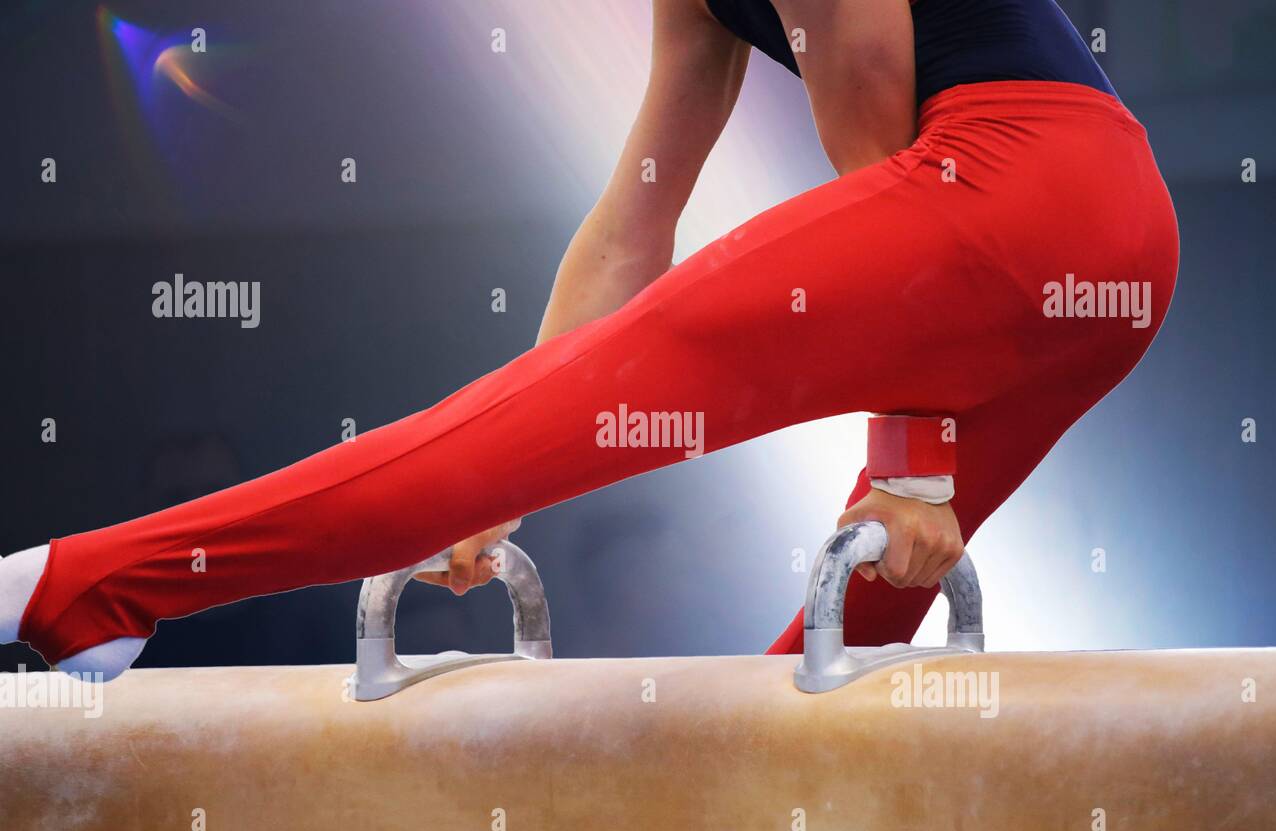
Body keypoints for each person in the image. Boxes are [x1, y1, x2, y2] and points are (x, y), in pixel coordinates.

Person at [0, 0, 1178, 678]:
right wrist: (499, 488)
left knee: (876, 534)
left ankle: (91, 587)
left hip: (1016, 193)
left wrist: (913, 462)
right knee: (841, 636)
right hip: (1100, 255)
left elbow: (876, 121)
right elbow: (632, 226)